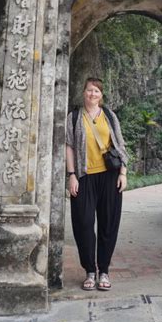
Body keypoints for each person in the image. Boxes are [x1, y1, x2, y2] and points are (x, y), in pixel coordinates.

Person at [66, 77, 128, 291]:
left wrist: (123, 173)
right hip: (84, 177)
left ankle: (104, 271)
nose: (92, 94)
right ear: (83, 92)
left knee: (108, 224)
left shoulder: (109, 116)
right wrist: (71, 175)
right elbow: (69, 147)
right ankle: (89, 270)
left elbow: (120, 145)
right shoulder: (73, 117)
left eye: (96, 91)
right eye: (89, 90)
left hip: (110, 176)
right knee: (83, 223)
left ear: (101, 95)